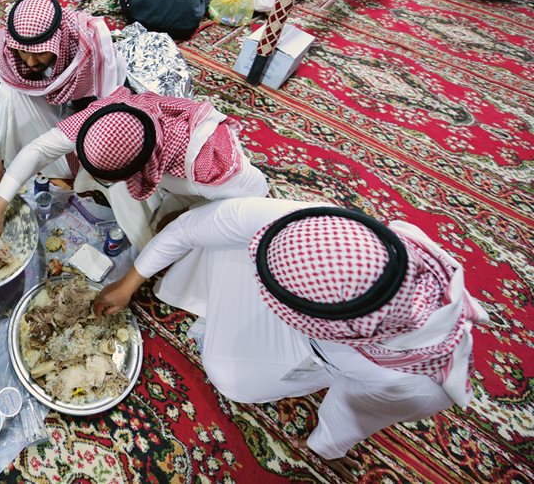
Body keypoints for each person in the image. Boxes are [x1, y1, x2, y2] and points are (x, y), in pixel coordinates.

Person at [94, 197, 488, 482]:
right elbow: (193, 227)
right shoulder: (306, 230)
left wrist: (323, 448)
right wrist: (128, 285)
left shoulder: (415, 381)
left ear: (325, 325)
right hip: (311, 318)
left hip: (320, 354)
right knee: (216, 247)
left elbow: (350, 411)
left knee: (231, 378)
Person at [0, 87, 269, 250]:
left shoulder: (210, 167)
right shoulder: (106, 118)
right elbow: (38, 150)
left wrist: (187, 217)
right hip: (163, 178)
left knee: (167, 247)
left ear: (138, 173)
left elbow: (255, 199)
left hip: (206, 198)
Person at [0, 0, 127, 182]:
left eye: (40, 53)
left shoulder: (87, 46)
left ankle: (58, 170)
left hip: (81, 113)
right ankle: (28, 165)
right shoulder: (3, 49)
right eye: (23, 51)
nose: (30, 61)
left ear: (58, 43)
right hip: (45, 110)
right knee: (8, 91)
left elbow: (108, 110)